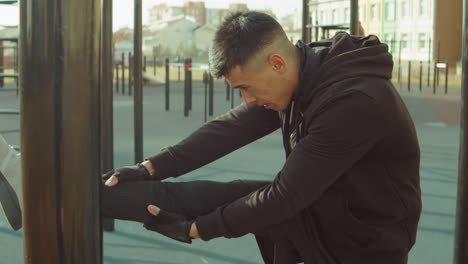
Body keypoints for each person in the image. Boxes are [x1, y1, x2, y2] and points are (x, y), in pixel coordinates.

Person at [2, 11, 421, 264]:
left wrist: (198, 230)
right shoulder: (301, 73)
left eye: (246, 87)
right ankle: (39, 186)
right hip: (322, 213)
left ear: (276, 62)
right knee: (200, 195)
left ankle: (37, 184)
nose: (249, 99)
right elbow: (228, 130)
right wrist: (151, 166)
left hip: (360, 247)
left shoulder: (356, 102)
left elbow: (284, 196)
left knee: (223, 202)